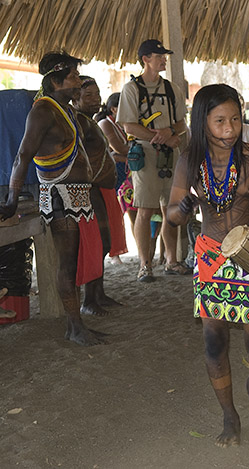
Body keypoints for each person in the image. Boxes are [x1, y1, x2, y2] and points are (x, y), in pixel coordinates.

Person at [166, 84, 249, 447]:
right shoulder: (190, 161)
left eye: (235, 118)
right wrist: (183, 209)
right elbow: (171, 214)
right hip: (210, 256)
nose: (230, 128)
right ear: (203, 122)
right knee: (214, 343)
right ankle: (229, 415)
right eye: (220, 120)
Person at [0, 51, 105, 346]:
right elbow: (23, 155)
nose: (78, 81)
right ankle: (74, 327)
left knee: (73, 261)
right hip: (59, 195)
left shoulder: (65, 110)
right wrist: (11, 199)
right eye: (73, 76)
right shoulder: (43, 111)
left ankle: (77, 324)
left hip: (74, 195)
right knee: (67, 264)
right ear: (56, 80)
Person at [116, 39, 188, 282]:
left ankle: (171, 260)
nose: (164, 59)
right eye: (159, 55)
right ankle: (144, 265)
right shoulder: (131, 89)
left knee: (171, 210)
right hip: (145, 153)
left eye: (164, 55)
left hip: (170, 153)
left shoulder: (171, 89)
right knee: (145, 210)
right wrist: (163, 137)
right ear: (145, 59)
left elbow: (181, 123)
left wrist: (170, 134)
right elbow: (128, 125)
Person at [73, 76, 126, 315]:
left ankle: (99, 294)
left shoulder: (91, 121)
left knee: (104, 241)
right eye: (89, 95)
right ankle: (89, 300)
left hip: (101, 189)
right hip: (89, 189)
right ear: (76, 98)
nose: (97, 99)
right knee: (94, 244)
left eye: (97, 94)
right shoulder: (77, 122)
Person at [96, 92, 135, 262]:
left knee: (130, 211)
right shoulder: (105, 123)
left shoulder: (122, 124)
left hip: (125, 169)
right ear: (114, 108)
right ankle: (114, 252)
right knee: (113, 212)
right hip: (114, 171)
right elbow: (119, 149)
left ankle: (119, 250)